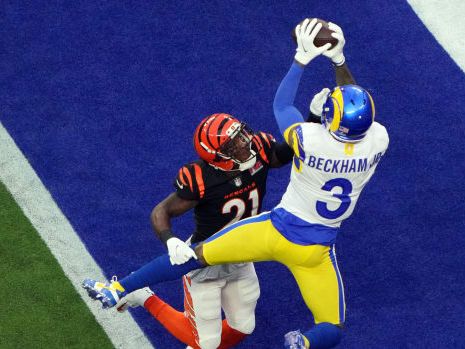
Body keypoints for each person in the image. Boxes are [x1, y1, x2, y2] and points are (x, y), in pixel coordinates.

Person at [83, 18, 389, 349]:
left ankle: (120, 287)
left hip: (273, 230)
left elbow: (283, 106)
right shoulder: (379, 140)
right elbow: (356, 109)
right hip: (316, 248)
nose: (244, 142)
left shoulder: (307, 139)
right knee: (331, 325)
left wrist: (302, 60)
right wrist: (339, 61)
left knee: (203, 268)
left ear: (328, 120)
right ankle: (305, 343)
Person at [115, 113, 295, 349]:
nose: (243, 143)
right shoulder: (201, 178)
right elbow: (161, 211)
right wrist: (170, 241)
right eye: (233, 144)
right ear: (218, 156)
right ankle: (143, 296)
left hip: (242, 254)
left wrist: (311, 122)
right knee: (206, 343)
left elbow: (283, 155)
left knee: (244, 325)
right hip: (205, 259)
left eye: (240, 135)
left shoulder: (258, 151)